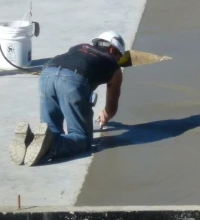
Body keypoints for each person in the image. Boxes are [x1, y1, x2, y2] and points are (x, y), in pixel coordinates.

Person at [9, 31, 126, 167]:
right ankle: (51, 146)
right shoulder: (114, 67)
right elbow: (111, 107)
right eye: (119, 56)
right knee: (82, 138)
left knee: (49, 130)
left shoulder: (80, 46)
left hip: (47, 75)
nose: (118, 61)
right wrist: (105, 116)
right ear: (112, 50)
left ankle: (30, 141)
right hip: (73, 81)